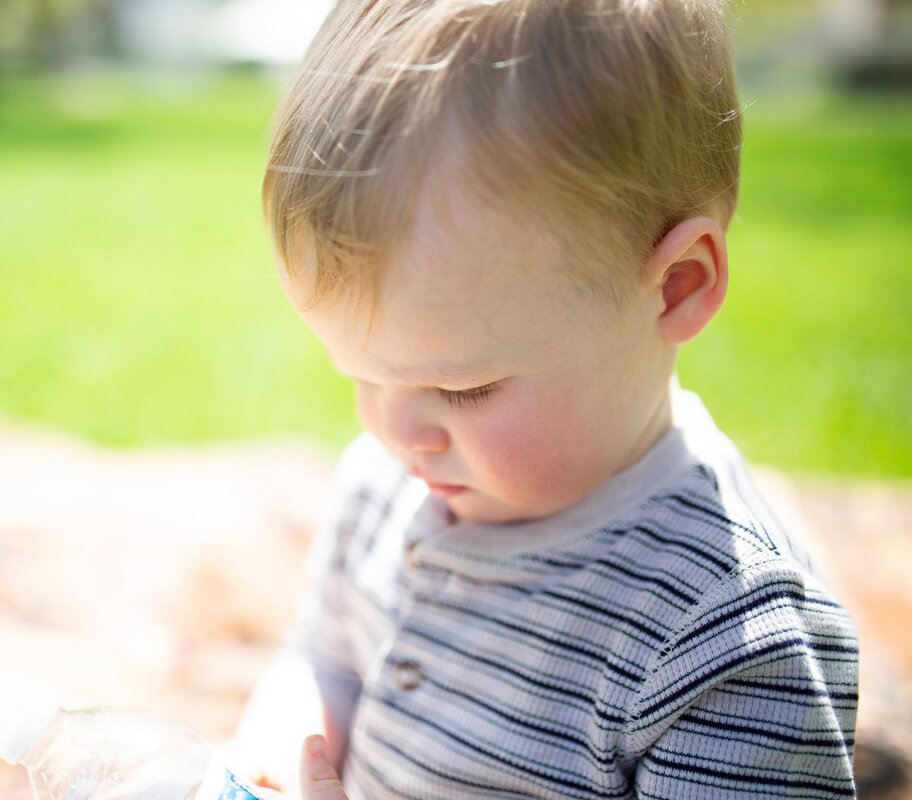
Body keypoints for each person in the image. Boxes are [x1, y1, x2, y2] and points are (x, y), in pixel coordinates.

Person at [229, 0, 859, 797]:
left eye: (464, 388)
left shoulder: (725, 641)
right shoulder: (384, 486)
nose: (393, 429)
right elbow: (327, 656)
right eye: (361, 376)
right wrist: (289, 738)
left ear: (676, 287)